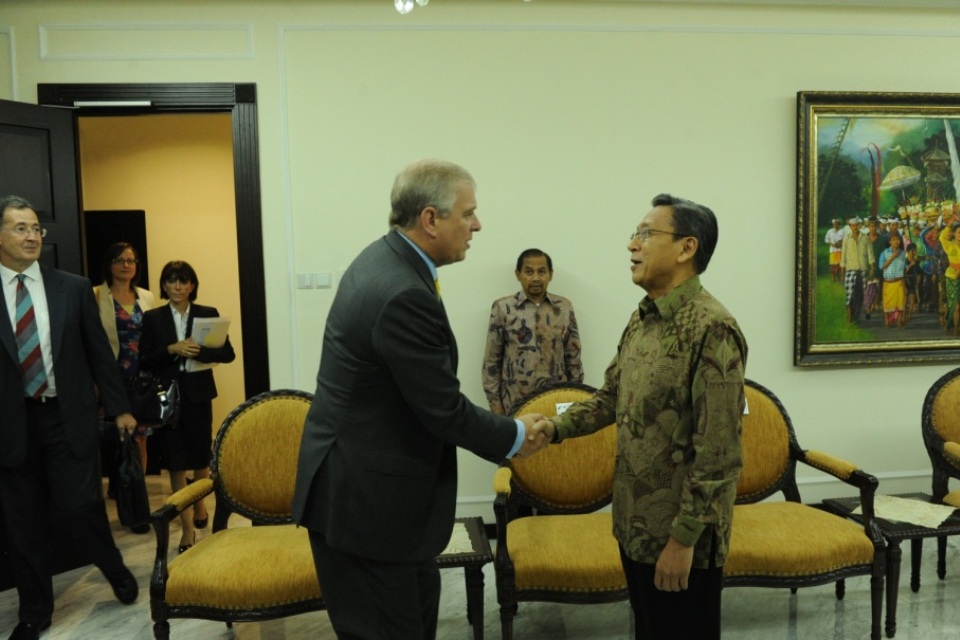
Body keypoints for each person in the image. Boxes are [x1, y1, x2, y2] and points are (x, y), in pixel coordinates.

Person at [292, 159, 549, 640]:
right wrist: (514, 434)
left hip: (378, 501)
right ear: (431, 219)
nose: (477, 225)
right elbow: (442, 409)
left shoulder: (387, 259)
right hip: (367, 509)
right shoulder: (401, 292)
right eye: (468, 213)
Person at [532, 193, 747, 640]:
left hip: (679, 537)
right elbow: (611, 396)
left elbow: (719, 453)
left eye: (646, 234)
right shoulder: (644, 319)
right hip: (634, 526)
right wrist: (555, 428)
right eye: (635, 234)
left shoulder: (712, 328)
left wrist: (684, 539)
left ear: (687, 248)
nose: (633, 245)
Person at [0, 195, 139, 640]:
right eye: (20, 228)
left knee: (80, 508)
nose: (32, 236)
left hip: (66, 416)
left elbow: (101, 354)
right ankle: (35, 611)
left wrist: (119, 408)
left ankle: (112, 567)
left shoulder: (73, 288)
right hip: (11, 423)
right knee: (24, 523)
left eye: (36, 228)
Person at [139, 260, 235, 553]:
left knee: (199, 458)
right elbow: (144, 360)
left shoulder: (207, 314)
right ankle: (187, 529)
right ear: (164, 285)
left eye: (183, 281)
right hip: (167, 397)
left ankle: (200, 504)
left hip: (198, 394)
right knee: (175, 461)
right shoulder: (153, 318)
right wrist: (171, 349)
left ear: (192, 285)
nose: (178, 287)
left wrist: (198, 350)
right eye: (171, 281)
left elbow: (227, 353)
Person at [93, 242, 157, 517]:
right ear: (109, 264)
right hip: (110, 375)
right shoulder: (95, 295)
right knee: (110, 437)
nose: (126, 265)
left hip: (142, 376)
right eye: (119, 260)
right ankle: (113, 488)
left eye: (131, 260)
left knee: (139, 437)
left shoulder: (147, 296)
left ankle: (134, 498)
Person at [481, 248, 584, 415]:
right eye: (529, 272)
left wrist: (573, 401)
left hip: (557, 404)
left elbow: (574, 359)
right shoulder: (503, 308)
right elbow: (491, 364)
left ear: (550, 274)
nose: (536, 278)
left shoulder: (563, 307)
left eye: (541, 271)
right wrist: (496, 408)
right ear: (518, 274)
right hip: (514, 406)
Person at [839, 217, 876, 323]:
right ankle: (849, 313)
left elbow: (870, 254)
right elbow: (843, 256)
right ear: (850, 227)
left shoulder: (865, 238)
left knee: (862, 293)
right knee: (850, 293)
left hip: (863, 269)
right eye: (853, 226)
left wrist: (872, 268)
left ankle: (857, 313)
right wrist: (842, 273)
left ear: (859, 225)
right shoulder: (846, 238)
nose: (855, 227)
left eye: (856, 225)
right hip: (851, 269)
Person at [879, 231, 907, 328]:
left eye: (898, 239)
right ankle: (887, 320)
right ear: (890, 242)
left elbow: (904, 268)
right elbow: (882, 266)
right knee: (887, 302)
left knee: (900, 302)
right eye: (893, 240)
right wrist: (892, 257)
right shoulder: (884, 253)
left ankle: (899, 320)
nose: (896, 242)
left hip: (899, 281)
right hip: (888, 282)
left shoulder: (903, 254)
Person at [824, 218, 844, 283]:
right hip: (833, 250)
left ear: (839, 224)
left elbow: (845, 239)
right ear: (833, 224)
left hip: (840, 250)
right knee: (832, 264)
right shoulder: (830, 231)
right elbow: (826, 240)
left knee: (839, 264)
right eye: (835, 224)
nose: (836, 225)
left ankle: (839, 277)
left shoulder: (842, 231)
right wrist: (832, 244)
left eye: (837, 223)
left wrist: (841, 242)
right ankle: (833, 277)